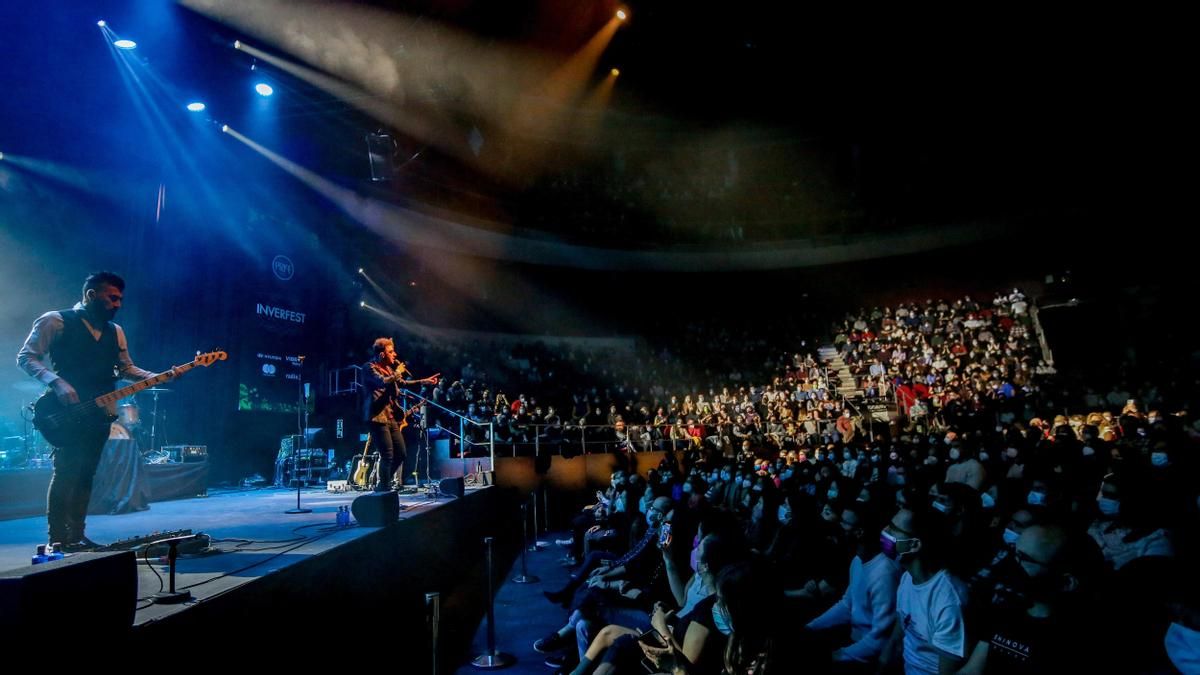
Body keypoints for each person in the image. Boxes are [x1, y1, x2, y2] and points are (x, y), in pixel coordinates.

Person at [17, 272, 176, 551]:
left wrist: (157, 376)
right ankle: (57, 538)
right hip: (67, 410)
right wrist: (56, 382)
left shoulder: (116, 331)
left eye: (120, 299)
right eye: (112, 298)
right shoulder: (56, 320)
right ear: (91, 295)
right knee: (66, 472)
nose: (118, 304)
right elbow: (26, 357)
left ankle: (77, 535)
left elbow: (126, 368)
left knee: (86, 474)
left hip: (100, 412)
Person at [363, 337, 438, 491]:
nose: (395, 355)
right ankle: (383, 487)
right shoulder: (369, 367)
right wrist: (397, 372)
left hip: (391, 417)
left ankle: (383, 483)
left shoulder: (390, 370)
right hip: (377, 417)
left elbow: (403, 383)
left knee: (401, 453)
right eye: (391, 352)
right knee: (387, 454)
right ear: (382, 354)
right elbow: (381, 381)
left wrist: (424, 381)